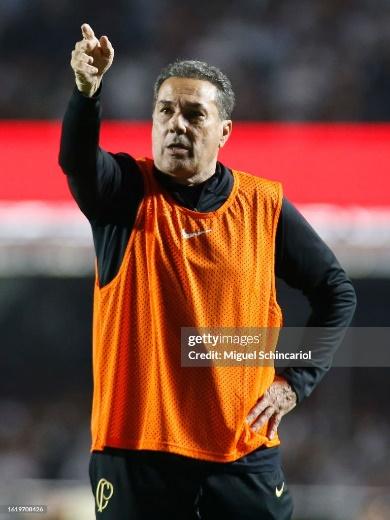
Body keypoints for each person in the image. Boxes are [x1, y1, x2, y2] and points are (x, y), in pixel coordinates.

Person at [59, 23, 356, 520]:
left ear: (224, 131)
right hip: (136, 452)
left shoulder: (264, 205)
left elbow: (336, 292)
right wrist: (86, 94)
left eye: (195, 114)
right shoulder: (124, 192)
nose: (177, 124)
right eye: (165, 111)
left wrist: (293, 381)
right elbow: (76, 162)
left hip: (242, 455)